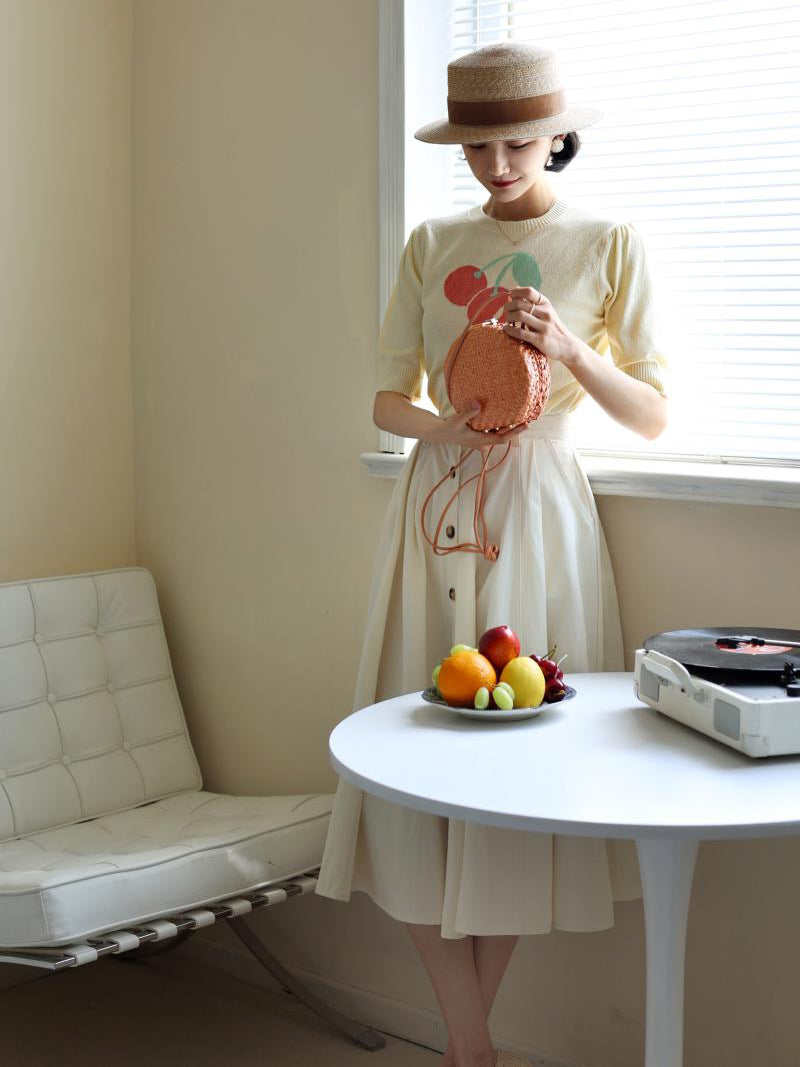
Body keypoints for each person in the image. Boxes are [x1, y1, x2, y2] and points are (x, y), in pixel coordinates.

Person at [315, 41, 669, 1067]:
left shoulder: (608, 239)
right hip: (436, 499)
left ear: (553, 136)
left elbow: (649, 415)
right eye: (477, 145)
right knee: (408, 742)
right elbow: (386, 399)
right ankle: (470, 1043)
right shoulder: (432, 241)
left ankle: (468, 1044)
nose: (497, 164)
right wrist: (446, 432)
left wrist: (566, 350)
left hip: (541, 506)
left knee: (519, 747)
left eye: (516, 141)